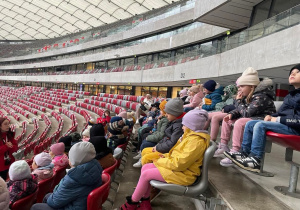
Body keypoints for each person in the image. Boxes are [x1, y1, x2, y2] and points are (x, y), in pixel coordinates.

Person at [119, 109, 210, 209]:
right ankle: (145, 203)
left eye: (184, 125)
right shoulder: (190, 138)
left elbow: (179, 163)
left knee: (146, 174)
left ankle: (132, 203)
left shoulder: (196, 142)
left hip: (185, 175)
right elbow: (178, 156)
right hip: (181, 171)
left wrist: (161, 161)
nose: (182, 127)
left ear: (191, 126)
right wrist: (166, 157)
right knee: (146, 167)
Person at [226, 65, 300, 172]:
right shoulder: (290, 96)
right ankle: (244, 153)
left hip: (296, 128)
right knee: (251, 123)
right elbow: (282, 113)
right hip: (287, 125)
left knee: (260, 124)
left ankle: (255, 159)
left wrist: (278, 120)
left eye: (297, 72)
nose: (292, 74)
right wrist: (271, 116)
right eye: (291, 72)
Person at [214, 67, 276, 167]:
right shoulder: (248, 96)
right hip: (251, 117)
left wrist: (238, 101)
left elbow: (247, 113)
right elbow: (241, 110)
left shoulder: (261, 96)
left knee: (240, 122)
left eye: (242, 86)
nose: (239, 89)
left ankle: (236, 151)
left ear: (251, 86)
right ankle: (224, 145)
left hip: (262, 119)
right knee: (227, 120)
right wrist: (232, 114)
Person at [30, 142, 102, 210]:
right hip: (81, 203)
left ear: (74, 160)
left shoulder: (74, 178)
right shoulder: (95, 167)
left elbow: (54, 203)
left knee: (35, 207)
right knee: (47, 196)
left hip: (73, 207)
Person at [141, 98, 185, 166]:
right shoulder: (173, 121)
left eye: (168, 113)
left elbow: (172, 143)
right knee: (144, 151)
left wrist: (158, 147)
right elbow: (166, 137)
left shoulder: (179, 126)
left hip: (169, 152)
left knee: (146, 158)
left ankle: (149, 172)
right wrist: (158, 145)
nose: (166, 115)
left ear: (175, 113)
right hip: (163, 147)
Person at [133, 101, 169, 167]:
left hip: (161, 142)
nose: (160, 111)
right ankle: (140, 152)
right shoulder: (162, 118)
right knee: (144, 134)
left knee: (145, 142)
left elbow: (161, 134)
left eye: (161, 110)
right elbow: (159, 130)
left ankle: (142, 157)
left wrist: (150, 136)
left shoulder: (165, 120)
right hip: (158, 136)